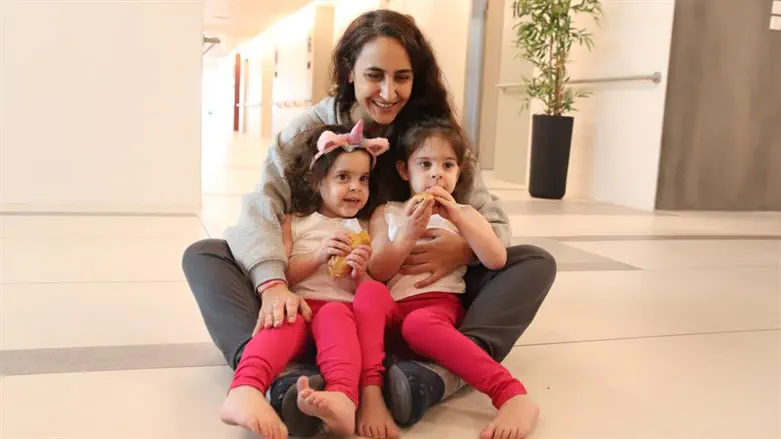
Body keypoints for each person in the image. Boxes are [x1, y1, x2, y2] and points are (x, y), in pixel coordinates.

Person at [182, 8, 557, 435]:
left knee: (532, 262)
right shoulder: (314, 128)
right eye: (374, 75)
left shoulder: (433, 134)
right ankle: (276, 375)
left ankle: (434, 377)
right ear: (349, 72)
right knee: (205, 255)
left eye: (402, 77)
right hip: (316, 307)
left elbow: (490, 219)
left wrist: (463, 248)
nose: (387, 91)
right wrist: (273, 284)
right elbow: (262, 207)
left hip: (422, 308)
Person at [356, 118, 538, 439]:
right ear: (403, 170)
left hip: (436, 311)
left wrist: (460, 219)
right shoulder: (387, 212)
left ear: (459, 171)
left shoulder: (466, 213)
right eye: (424, 164)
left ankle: (511, 394)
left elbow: (496, 258)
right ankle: (370, 390)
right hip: (390, 312)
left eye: (447, 165)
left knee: (418, 325)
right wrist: (407, 236)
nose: (436, 173)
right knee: (367, 294)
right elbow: (379, 270)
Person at [220, 121, 394, 439]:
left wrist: (360, 273)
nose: (355, 187)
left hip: (340, 315)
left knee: (337, 315)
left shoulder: (365, 227)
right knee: (284, 317)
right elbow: (284, 274)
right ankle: (244, 390)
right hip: (301, 305)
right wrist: (317, 255)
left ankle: (342, 398)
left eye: (363, 179)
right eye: (343, 177)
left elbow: (373, 293)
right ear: (317, 182)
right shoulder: (295, 222)